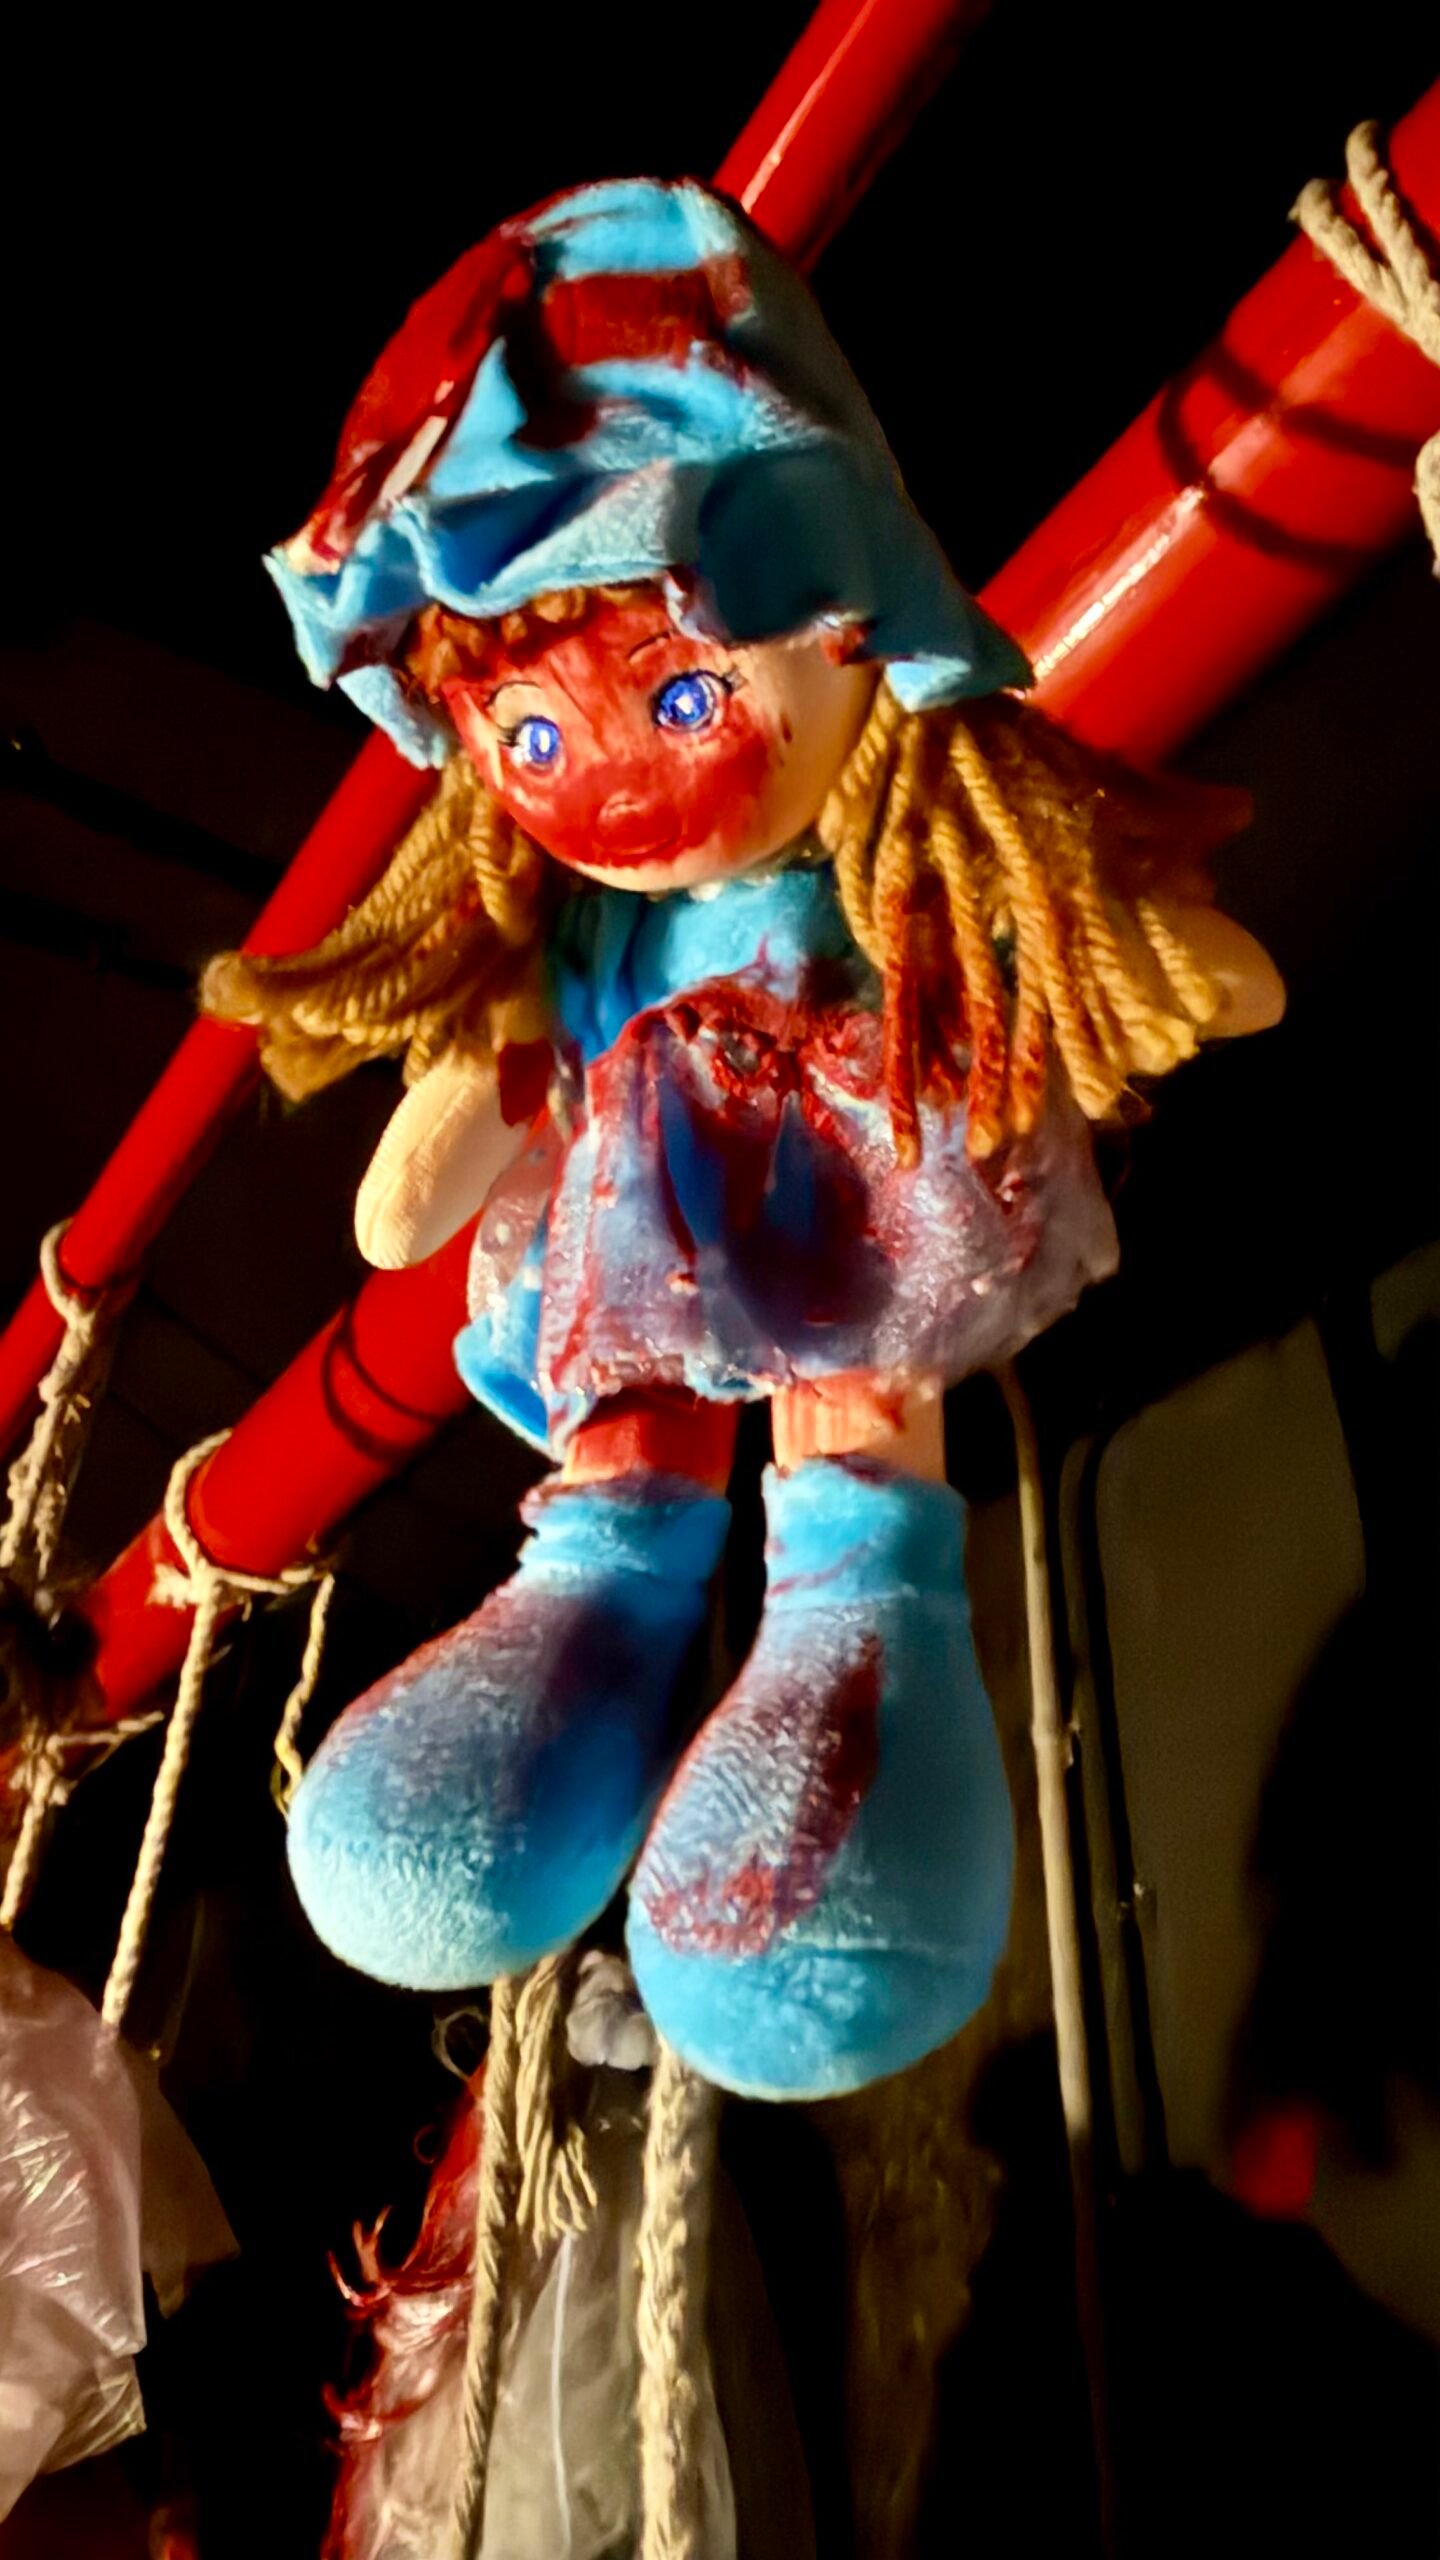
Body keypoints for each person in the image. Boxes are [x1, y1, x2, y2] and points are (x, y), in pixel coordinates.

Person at [207, 176, 1281, 2098]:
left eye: (685, 689)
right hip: (634, 1220)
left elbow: (1114, 950)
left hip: (848, 1184)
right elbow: (451, 1134)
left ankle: (851, 1641)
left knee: (851, 1403)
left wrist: (1119, 953)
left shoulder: (891, 867)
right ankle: (590, 1605)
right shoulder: (579, 937)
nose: (608, 788)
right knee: (624, 1437)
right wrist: (455, 1118)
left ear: (848, 621)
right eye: (532, 742)